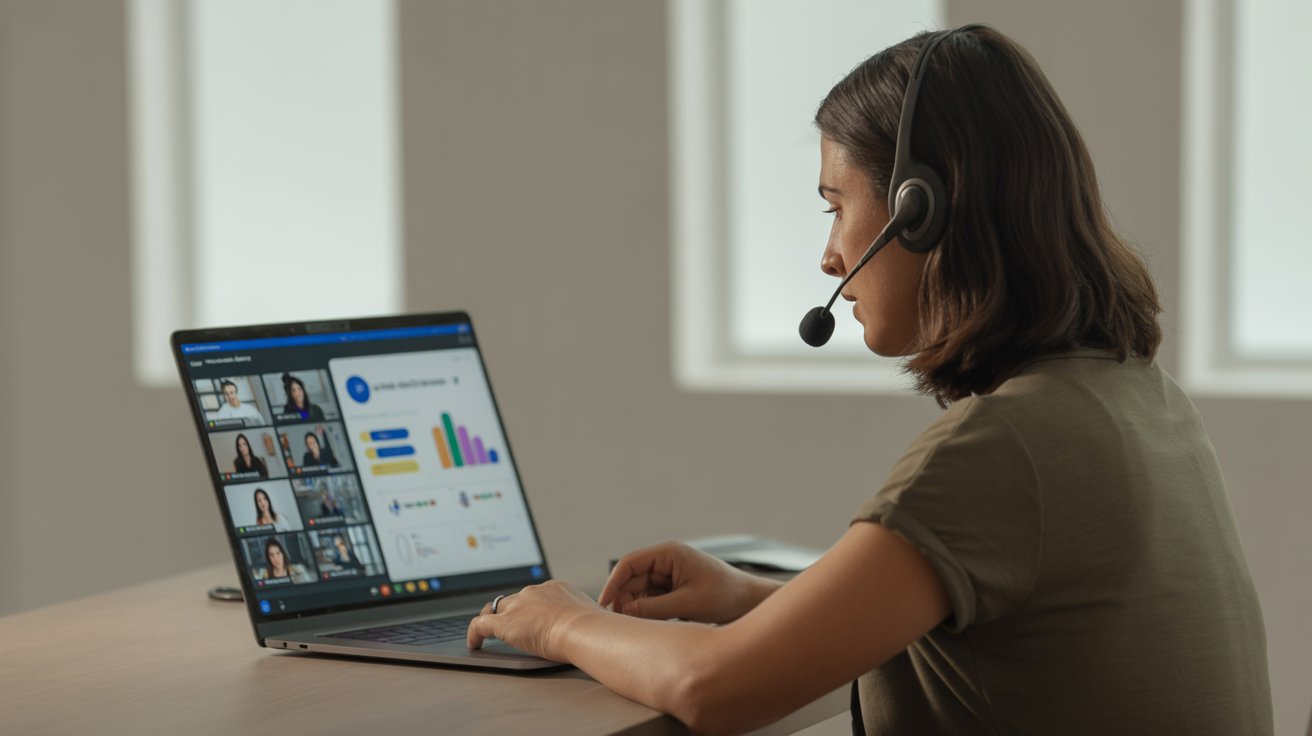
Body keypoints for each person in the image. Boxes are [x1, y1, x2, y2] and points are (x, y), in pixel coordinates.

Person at [461, 25, 1272, 735]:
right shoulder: (1141, 401)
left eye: (835, 206)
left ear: (921, 211)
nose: (830, 257)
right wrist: (748, 598)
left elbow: (714, 689)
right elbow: (968, 619)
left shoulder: (1003, 449)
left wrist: (559, 621)